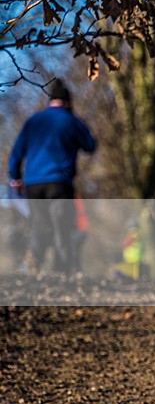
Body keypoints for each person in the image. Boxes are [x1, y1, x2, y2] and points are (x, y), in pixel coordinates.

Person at [7, 78, 96, 275]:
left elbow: (16, 153)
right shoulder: (71, 120)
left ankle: (34, 264)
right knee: (62, 227)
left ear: (50, 100)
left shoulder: (33, 120)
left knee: (40, 226)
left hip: (33, 183)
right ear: (67, 102)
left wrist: (15, 177)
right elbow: (90, 145)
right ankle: (62, 270)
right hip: (59, 182)